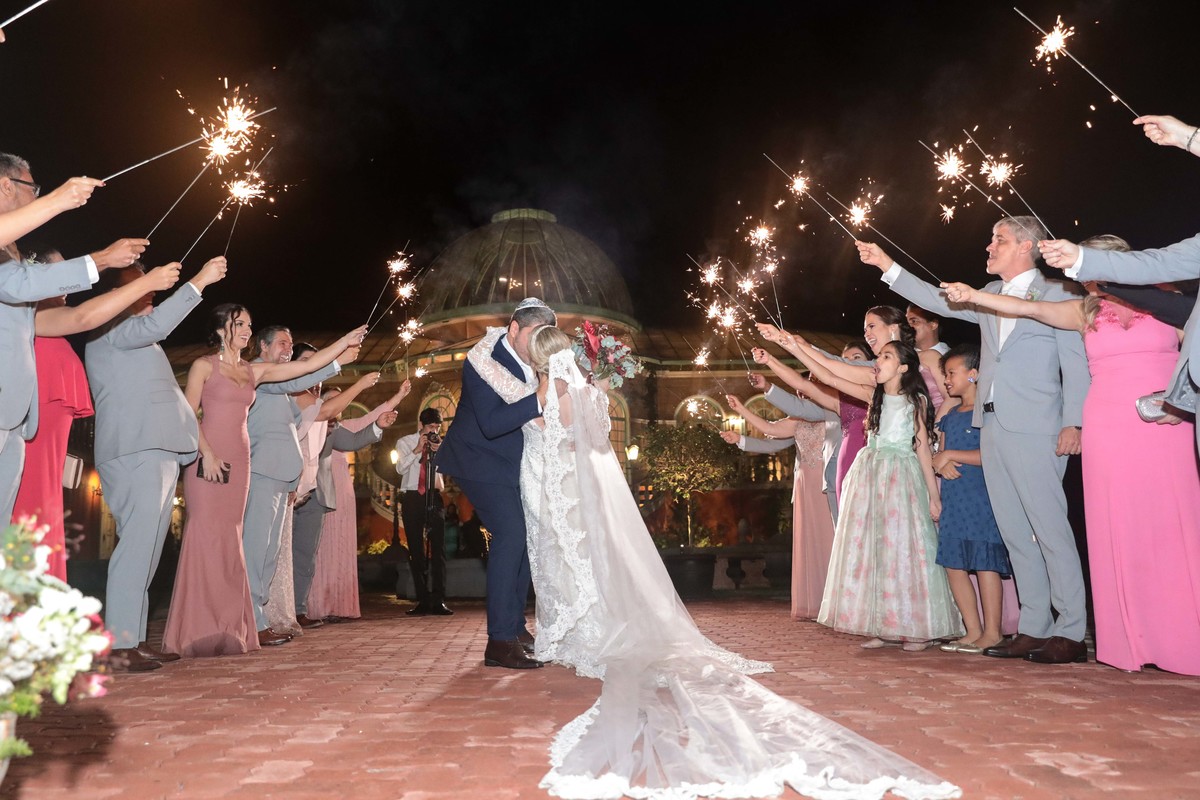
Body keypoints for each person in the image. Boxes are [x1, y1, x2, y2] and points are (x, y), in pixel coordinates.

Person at [470, 323, 960, 799]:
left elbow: (536, 427)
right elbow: (591, 439)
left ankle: (565, 630)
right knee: (580, 560)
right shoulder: (584, 391)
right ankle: (578, 625)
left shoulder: (541, 393)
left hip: (549, 490)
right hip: (572, 492)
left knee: (562, 560)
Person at [944, 244, 1200, 676]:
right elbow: (1029, 309)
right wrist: (973, 295)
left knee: (1170, 522)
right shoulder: (1084, 311)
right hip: (1107, 422)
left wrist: (1183, 398)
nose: (1084, 279)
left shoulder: (1169, 301)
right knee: (1116, 528)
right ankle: (1131, 640)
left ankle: (1182, 634)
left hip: (1165, 420)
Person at [858, 216, 1092, 665]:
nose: (989, 246)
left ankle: (1070, 630)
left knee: (1049, 529)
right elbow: (937, 298)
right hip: (993, 426)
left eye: (999, 239)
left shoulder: (1057, 293)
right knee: (1014, 532)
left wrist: (1074, 422)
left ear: (1026, 246)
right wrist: (887, 264)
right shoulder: (989, 295)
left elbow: (1074, 362)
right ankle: (1033, 627)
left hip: (1038, 426)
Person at [162, 306, 365, 658]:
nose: (247, 329)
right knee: (205, 539)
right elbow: (187, 414)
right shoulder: (202, 366)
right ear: (221, 329)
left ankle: (230, 626)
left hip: (241, 463)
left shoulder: (252, 371)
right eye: (239, 324)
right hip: (209, 460)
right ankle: (195, 628)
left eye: (249, 324)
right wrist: (206, 453)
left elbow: (301, 371)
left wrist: (343, 343)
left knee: (233, 546)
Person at [760, 326, 962, 650]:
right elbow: (826, 375)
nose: (878, 361)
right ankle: (881, 623)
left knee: (904, 550)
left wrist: (933, 495)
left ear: (904, 367)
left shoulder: (916, 401)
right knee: (875, 549)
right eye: (880, 357)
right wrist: (787, 348)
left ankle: (916, 628)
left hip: (901, 478)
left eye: (886, 357)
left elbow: (923, 447)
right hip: (869, 479)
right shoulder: (873, 397)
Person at [86, 257, 228, 672]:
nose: (149, 290)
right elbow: (157, 324)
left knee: (148, 551)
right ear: (115, 294)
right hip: (136, 449)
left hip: (158, 450)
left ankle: (133, 637)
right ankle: (119, 643)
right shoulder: (109, 326)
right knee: (136, 547)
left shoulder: (136, 336)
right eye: (140, 283)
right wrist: (199, 282)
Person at [1, 151, 149, 523]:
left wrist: (120, 269)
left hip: (14, 417)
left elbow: (76, 317)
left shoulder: (10, 258)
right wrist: (59, 201)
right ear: (6, 186)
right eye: (33, 188)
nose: (36, 195)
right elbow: (23, 284)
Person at [14, 258, 180, 580]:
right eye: (57, 271)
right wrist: (145, 282)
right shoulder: (30, 318)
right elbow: (85, 316)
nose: (67, 283)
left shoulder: (54, 322)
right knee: (28, 514)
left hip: (50, 452)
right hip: (29, 441)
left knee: (43, 515)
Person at [437, 297, 554, 670]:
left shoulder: (539, 357)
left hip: (514, 465)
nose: (538, 345)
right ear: (514, 329)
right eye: (533, 335)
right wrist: (539, 397)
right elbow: (491, 424)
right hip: (478, 460)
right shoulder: (482, 361)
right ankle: (499, 641)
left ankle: (515, 629)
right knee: (511, 534)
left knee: (525, 539)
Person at [242, 325, 357, 646]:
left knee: (269, 554)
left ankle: (260, 617)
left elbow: (310, 416)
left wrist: (294, 478)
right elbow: (298, 379)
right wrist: (338, 358)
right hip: (261, 474)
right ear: (263, 346)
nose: (288, 349)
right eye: (282, 343)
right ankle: (250, 621)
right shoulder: (258, 373)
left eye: (290, 344)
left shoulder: (282, 388)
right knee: (256, 550)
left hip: (282, 480)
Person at [289, 345, 393, 628]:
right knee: (278, 553)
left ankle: (298, 609)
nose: (311, 367)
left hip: (314, 492)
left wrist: (378, 425)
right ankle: (271, 612)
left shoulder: (328, 419)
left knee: (305, 554)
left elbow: (351, 440)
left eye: (315, 362)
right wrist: (359, 385)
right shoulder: (287, 397)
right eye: (305, 361)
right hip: (285, 486)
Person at [931, 344, 1012, 655]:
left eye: (952, 373)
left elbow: (992, 454)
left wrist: (950, 455)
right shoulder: (950, 416)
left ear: (974, 374)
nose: (947, 379)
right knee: (954, 564)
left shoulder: (989, 412)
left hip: (980, 499)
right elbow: (939, 453)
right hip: (954, 500)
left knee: (985, 563)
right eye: (945, 374)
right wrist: (942, 461)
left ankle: (993, 632)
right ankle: (972, 630)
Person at [307, 382, 411, 623]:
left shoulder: (346, 427)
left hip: (342, 490)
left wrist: (398, 395)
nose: (337, 403)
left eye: (340, 399)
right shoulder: (315, 425)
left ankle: (341, 605)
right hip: (319, 487)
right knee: (320, 547)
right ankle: (317, 605)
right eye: (331, 399)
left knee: (342, 545)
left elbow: (373, 418)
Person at [722, 397, 834, 620]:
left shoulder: (834, 413)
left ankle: (836, 601)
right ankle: (813, 602)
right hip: (805, 485)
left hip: (829, 480)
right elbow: (772, 438)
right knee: (810, 540)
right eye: (799, 391)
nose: (802, 394)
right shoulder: (797, 419)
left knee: (831, 536)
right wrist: (740, 438)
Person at [750, 340, 871, 506]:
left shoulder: (879, 394)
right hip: (837, 468)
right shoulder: (835, 400)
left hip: (870, 467)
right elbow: (802, 390)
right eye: (844, 359)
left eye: (856, 358)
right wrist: (768, 370)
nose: (849, 364)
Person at [395, 407, 452, 616]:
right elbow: (400, 468)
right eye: (430, 427)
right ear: (421, 425)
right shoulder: (405, 442)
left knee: (438, 549)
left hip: (433, 494)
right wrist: (417, 449)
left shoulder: (441, 443)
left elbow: (451, 468)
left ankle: (439, 599)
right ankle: (422, 599)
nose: (433, 431)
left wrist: (440, 451)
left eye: (437, 427)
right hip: (412, 496)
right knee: (416, 549)